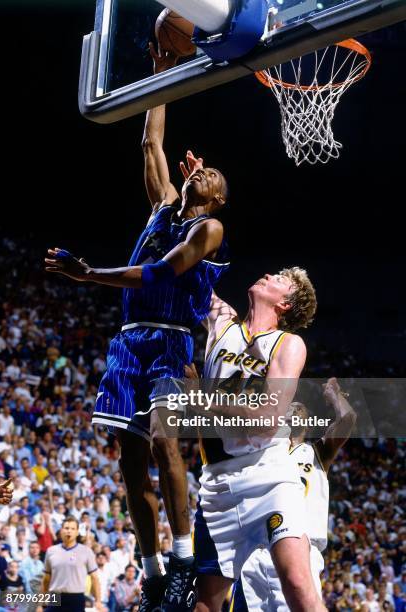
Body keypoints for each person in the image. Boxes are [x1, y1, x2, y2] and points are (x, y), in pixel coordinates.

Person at [44, 46, 230, 611]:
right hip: (130, 343)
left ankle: (180, 560)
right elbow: (151, 141)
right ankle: (151, 570)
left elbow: (155, 273)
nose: (204, 169)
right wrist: (161, 75)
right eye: (203, 166)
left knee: (166, 443)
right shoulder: (163, 205)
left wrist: (88, 275)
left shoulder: (211, 229)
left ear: (217, 196)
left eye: (214, 174)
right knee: (129, 457)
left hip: (172, 344)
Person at [187, 271, 324, 612]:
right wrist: (175, 223)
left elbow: (266, 421)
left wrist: (204, 399)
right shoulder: (223, 322)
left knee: (297, 585)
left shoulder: (288, 344)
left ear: (285, 303)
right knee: (205, 604)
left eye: (278, 279)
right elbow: (190, 276)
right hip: (218, 482)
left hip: (270, 476)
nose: (267, 274)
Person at [230, 377, 357, 610]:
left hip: (300, 551)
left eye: (300, 409)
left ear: (307, 425)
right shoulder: (263, 453)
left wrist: (334, 395)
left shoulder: (317, 451)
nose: (295, 409)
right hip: (256, 552)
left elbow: (348, 419)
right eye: (290, 407)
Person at [41, 516, 102, 611]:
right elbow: (46, 579)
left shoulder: (86, 551)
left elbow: (94, 578)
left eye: (73, 529)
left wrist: (98, 601)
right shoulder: (51, 551)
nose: (69, 531)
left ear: (77, 532)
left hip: (76, 597)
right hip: (55, 595)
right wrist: (41, 602)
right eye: (66, 528)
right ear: (61, 530)